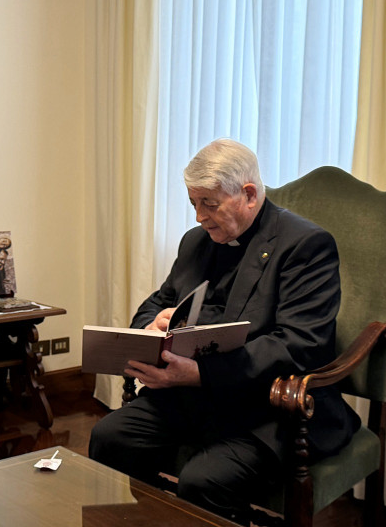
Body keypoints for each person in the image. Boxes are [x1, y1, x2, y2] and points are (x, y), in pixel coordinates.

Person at [88, 139, 360, 523]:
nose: (199, 216)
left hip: (267, 406)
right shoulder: (197, 242)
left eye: (209, 204)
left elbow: (301, 345)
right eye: (194, 203)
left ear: (248, 194)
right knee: (110, 436)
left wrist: (201, 374)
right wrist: (152, 325)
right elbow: (158, 300)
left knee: (204, 480)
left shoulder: (305, 245)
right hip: (191, 397)